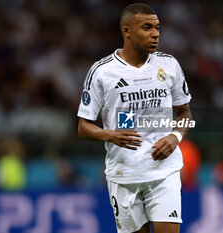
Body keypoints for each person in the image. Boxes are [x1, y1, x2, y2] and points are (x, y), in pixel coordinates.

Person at [77, 3, 192, 233]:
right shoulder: (103, 71)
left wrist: (175, 137)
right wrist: (110, 135)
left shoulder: (168, 65)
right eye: (147, 27)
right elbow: (83, 127)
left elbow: (186, 114)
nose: (155, 34)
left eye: (157, 28)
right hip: (124, 175)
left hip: (163, 172)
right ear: (126, 31)